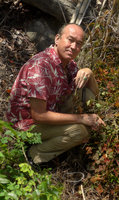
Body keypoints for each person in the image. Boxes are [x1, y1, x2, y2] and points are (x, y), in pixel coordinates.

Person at [6, 23, 105, 164]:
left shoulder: (69, 65)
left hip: (50, 112)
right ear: (57, 39)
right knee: (80, 131)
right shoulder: (41, 67)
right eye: (70, 40)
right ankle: (32, 156)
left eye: (78, 43)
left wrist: (89, 73)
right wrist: (81, 118)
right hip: (26, 126)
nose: (73, 46)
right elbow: (39, 115)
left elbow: (94, 95)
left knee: (86, 94)